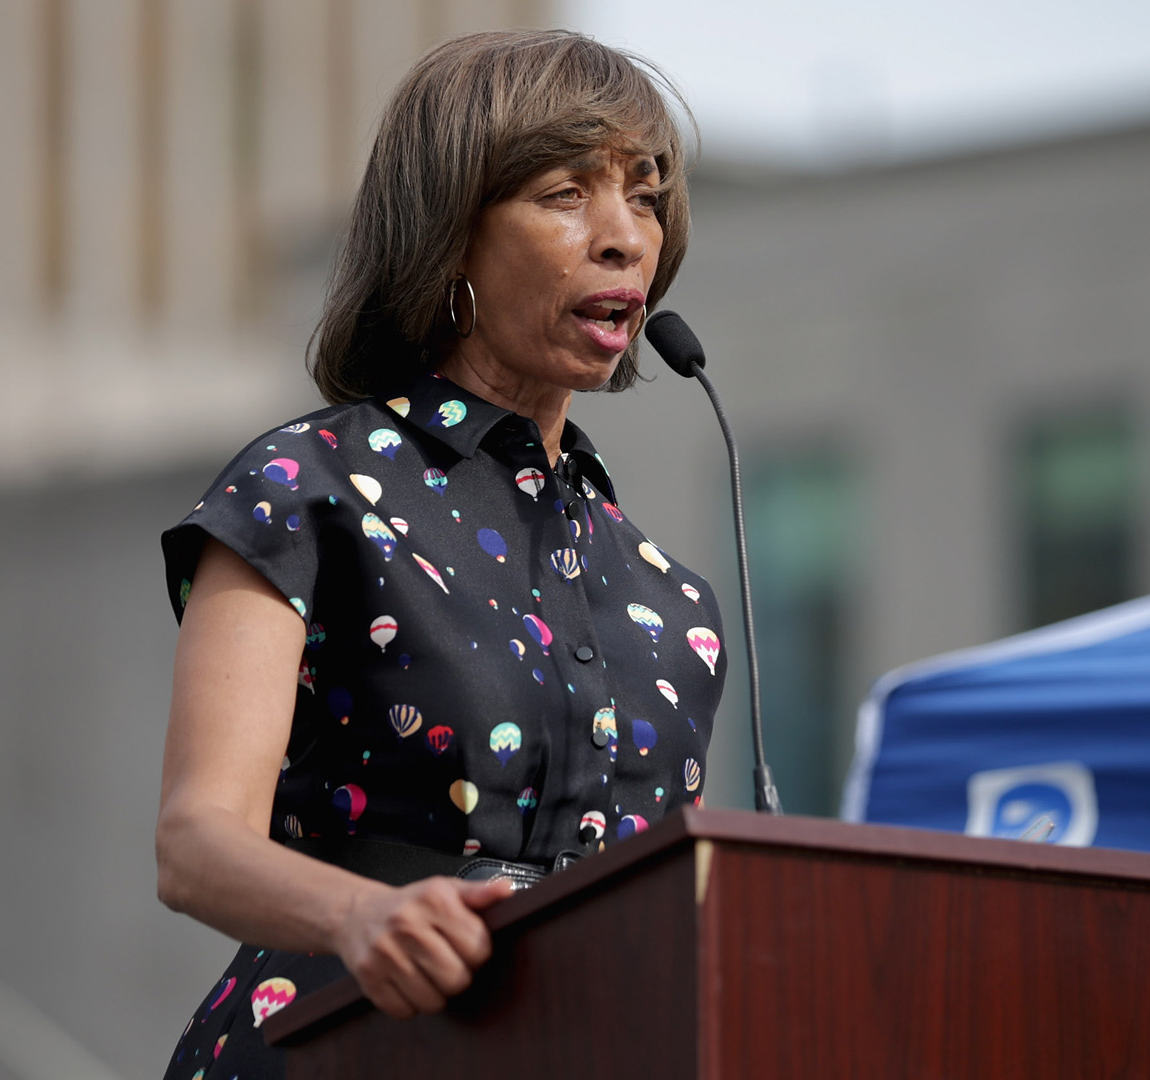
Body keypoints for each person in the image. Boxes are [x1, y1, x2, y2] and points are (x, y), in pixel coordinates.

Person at [151, 30, 727, 1080]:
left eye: (644, 197)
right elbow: (194, 843)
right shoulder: (304, 488)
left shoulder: (674, 603)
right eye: (565, 192)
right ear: (450, 234)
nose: (623, 237)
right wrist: (364, 917)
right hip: (336, 1043)